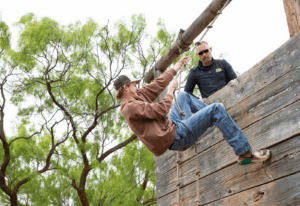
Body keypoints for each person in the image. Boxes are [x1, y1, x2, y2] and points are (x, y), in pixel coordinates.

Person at [114, 56, 270, 164]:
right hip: (176, 137)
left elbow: (158, 83)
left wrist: (178, 65)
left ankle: (215, 115)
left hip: (174, 126)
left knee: (183, 96)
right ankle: (245, 154)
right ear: (126, 88)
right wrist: (170, 91)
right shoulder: (130, 107)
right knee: (216, 109)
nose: (137, 87)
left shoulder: (137, 96)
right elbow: (161, 110)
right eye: (134, 85)